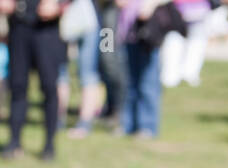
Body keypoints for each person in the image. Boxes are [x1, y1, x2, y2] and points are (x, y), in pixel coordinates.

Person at [0, 0, 70, 160]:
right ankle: (14, 142)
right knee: (17, 86)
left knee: (49, 87)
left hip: (47, 29)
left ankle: (49, 146)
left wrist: (59, 5)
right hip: (19, 25)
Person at [117, 0, 167, 139]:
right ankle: (128, 124)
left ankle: (147, 127)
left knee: (148, 84)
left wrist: (150, 4)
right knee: (129, 83)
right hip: (128, 35)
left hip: (147, 35)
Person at [65, 0, 106, 136]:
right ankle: (59, 118)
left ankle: (86, 121)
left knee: (91, 72)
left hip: (97, 25)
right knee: (64, 72)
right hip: (71, 20)